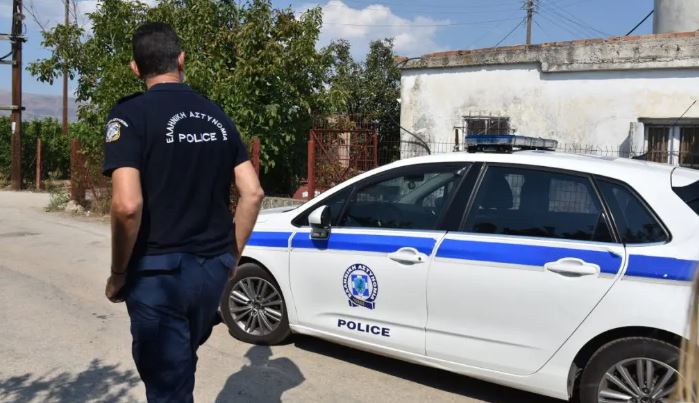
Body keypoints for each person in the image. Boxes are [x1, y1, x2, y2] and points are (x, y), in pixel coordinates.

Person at [101, 22, 264, 402]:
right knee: (180, 365)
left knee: (168, 387)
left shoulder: (129, 115)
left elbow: (127, 205)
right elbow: (253, 192)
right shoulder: (215, 114)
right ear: (181, 59)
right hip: (211, 270)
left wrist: (118, 274)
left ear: (135, 68)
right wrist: (231, 257)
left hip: (158, 275)